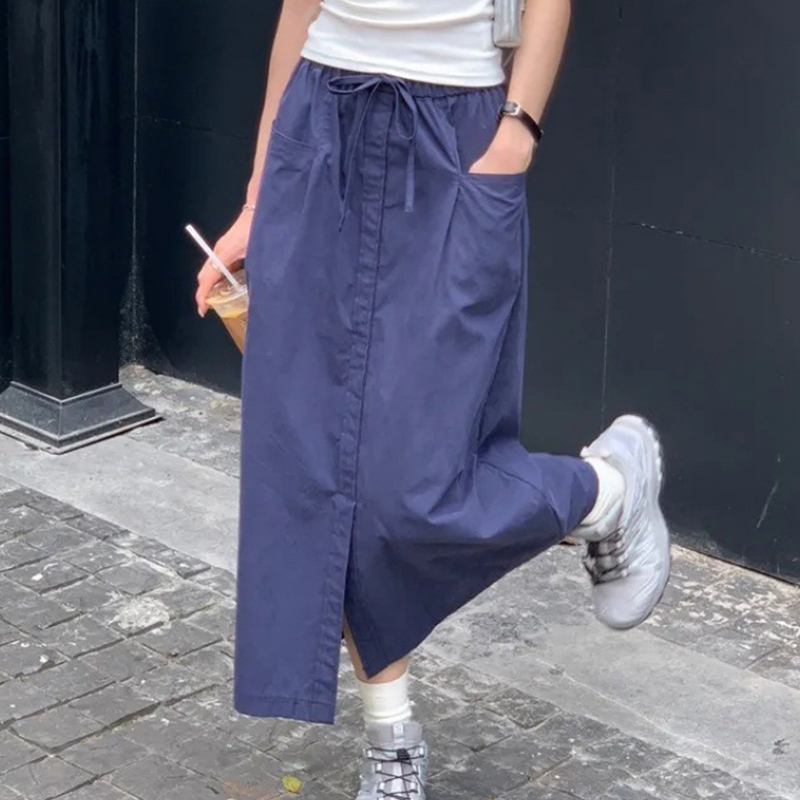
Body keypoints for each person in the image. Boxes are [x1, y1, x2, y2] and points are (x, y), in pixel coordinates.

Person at [195, 1, 671, 797]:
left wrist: (517, 131)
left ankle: (603, 490)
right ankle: (391, 745)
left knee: (409, 483)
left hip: (457, 135)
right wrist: (258, 196)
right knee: (318, 467)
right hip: (320, 125)